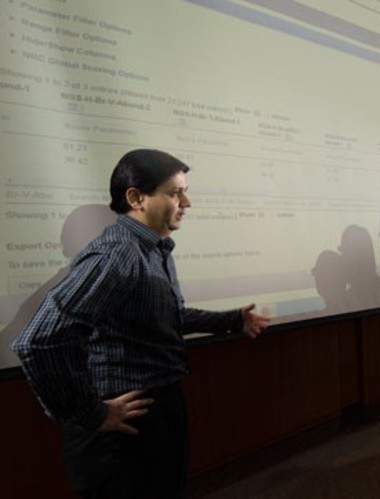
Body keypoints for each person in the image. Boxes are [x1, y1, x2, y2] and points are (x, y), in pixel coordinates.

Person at [12, 149, 270, 499]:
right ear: (136, 198)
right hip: (122, 433)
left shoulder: (153, 249)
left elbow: (169, 317)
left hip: (156, 413)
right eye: (175, 193)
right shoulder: (117, 254)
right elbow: (39, 340)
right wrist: (90, 414)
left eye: (185, 192)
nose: (187, 202)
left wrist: (233, 320)